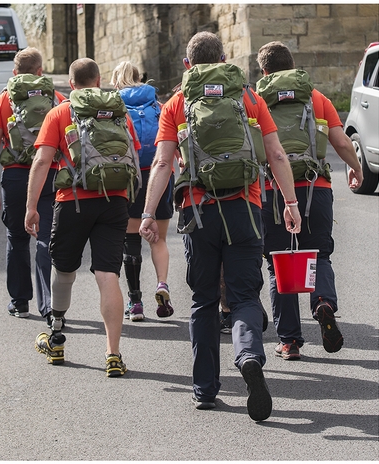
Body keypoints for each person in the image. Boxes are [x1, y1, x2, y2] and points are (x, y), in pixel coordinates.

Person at [139, 32, 301, 421]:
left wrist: (147, 213)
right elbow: (276, 153)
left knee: (204, 299)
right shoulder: (248, 97)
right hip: (245, 207)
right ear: (225, 58)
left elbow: (162, 163)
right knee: (245, 295)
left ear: (187, 66)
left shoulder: (177, 102)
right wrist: (291, 203)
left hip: (198, 212)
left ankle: (205, 389)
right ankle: (248, 355)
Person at [24, 58, 141, 376]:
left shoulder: (60, 111)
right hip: (115, 200)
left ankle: (57, 336)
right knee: (108, 275)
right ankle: (113, 354)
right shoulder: (118, 112)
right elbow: (134, 153)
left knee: (63, 269)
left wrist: (31, 207)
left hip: (72, 200)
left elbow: (42, 161)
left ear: (71, 85)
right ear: (99, 79)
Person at [256, 41, 363, 360]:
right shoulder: (317, 98)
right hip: (317, 187)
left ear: (264, 71)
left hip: (275, 192)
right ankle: (324, 303)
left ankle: (289, 341)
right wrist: (357, 170)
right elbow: (342, 142)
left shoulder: (257, 101)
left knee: (280, 262)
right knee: (319, 254)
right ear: (292, 65)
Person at [0, 47, 66, 326]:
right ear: (41, 72)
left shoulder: (2, 101)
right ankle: (49, 307)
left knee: (17, 237)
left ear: (14, 73)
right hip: (50, 176)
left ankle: (20, 302)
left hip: (17, 177)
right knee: (45, 240)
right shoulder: (58, 100)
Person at [110, 61, 174, 321]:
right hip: (161, 175)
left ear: (116, 81)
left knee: (132, 240)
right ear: (140, 78)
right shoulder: (158, 106)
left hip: (131, 177)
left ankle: (135, 303)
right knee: (158, 238)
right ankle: (162, 285)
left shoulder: (114, 107)